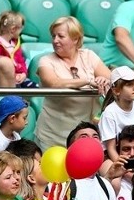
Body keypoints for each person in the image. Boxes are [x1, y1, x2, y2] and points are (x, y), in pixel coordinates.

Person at [33, 17, 110, 149]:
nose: (55, 40)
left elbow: (111, 78)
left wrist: (104, 80)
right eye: (53, 36)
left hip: (83, 135)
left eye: (60, 36)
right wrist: (88, 81)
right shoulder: (45, 60)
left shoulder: (89, 56)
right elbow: (54, 83)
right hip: (52, 136)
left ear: (75, 39)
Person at [99, 67, 134, 162]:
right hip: (112, 159)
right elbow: (111, 149)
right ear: (116, 91)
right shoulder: (109, 112)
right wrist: (123, 167)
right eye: (129, 85)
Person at [65, 123, 118, 200]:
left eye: (95, 137)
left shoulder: (106, 185)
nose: (91, 141)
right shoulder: (62, 184)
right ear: (70, 148)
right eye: (84, 137)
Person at [0, 12, 35, 89]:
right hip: (5, 81)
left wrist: (23, 74)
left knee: (35, 87)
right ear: (13, 29)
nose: (21, 33)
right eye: (20, 29)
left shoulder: (15, 44)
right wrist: (13, 75)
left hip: (19, 79)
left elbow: (21, 61)